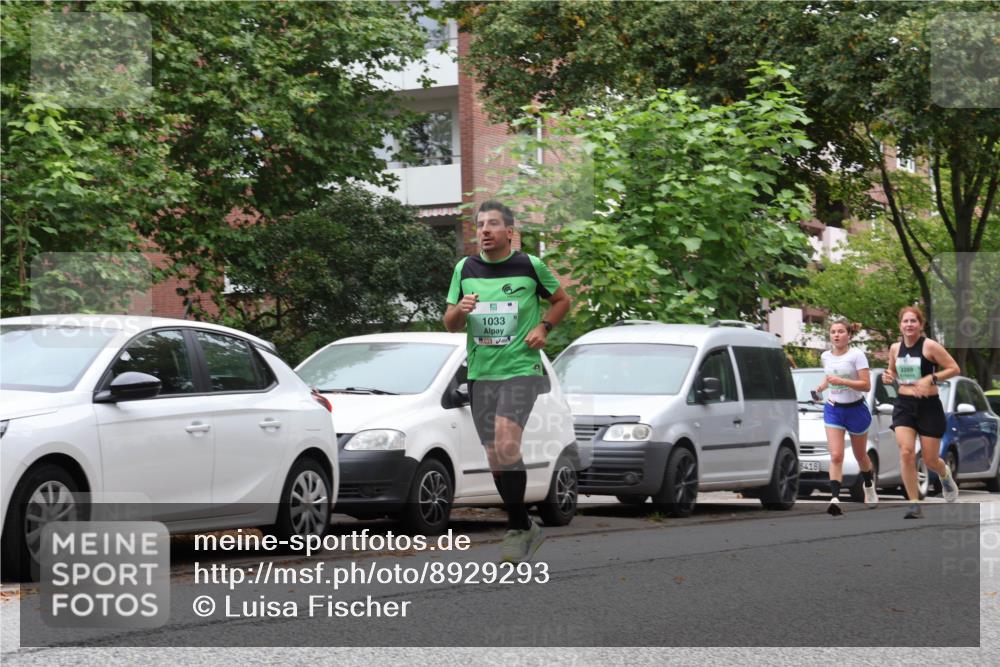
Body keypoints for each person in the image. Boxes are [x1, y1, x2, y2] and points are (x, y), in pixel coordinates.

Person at [443, 200, 571, 562]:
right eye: (480, 224)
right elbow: (450, 323)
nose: (484, 230)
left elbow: (562, 300)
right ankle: (524, 524)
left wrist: (543, 327)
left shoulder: (530, 266)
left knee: (506, 439)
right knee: (495, 457)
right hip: (482, 373)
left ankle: (516, 530)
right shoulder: (464, 269)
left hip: (521, 369)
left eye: (492, 224)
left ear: (509, 232)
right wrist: (460, 310)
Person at [882, 306, 961, 519]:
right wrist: (887, 376)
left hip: (928, 406)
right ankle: (914, 503)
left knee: (930, 460)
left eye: (913, 321)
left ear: (921, 325)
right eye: (905, 321)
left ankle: (945, 476)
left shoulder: (930, 346)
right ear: (900, 325)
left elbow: (954, 368)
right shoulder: (895, 348)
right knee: (906, 452)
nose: (909, 325)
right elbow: (892, 370)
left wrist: (931, 379)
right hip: (904, 405)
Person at [813, 318, 876, 516]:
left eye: (840, 331)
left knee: (860, 455)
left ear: (848, 335)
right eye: (833, 332)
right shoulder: (825, 356)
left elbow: (866, 385)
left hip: (856, 410)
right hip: (834, 409)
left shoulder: (857, 355)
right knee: (836, 455)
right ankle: (834, 498)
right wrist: (820, 388)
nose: (836, 335)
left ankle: (868, 484)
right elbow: (828, 376)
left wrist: (842, 381)